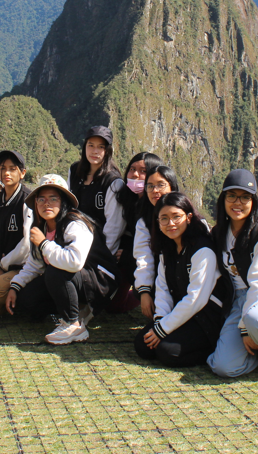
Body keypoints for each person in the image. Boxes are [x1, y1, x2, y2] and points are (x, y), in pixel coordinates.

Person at [5, 175, 118, 345]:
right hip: (75, 278)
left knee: (56, 270)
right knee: (27, 300)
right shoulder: (42, 227)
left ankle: (73, 324)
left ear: (63, 201)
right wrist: (15, 286)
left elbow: (74, 262)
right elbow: (35, 264)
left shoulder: (75, 224)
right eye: (41, 199)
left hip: (100, 280)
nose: (47, 204)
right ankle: (75, 307)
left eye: (53, 199)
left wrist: (44, 243)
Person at [134, 193, 230, 368]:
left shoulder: (202, 250)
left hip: (205, 318)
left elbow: (196, 299)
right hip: (182, 315)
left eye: (176, 217)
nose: (170, 223)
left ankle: (213, 349)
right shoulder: (167, 249)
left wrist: (162, 330)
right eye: (164, 218)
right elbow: (162, 288)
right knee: (143, 345)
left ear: (189, 217)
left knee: (167, 351)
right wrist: (160, 321)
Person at [207, 169, 258, 378]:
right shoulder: (218, 233)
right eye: (231, 196)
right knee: (223, 367)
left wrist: (245, 328)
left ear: (253, 202)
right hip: (236, 300)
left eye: (245, 197)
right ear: (223, 199)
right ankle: (257, 352)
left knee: (254, 319)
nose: (238, 203)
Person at [0, 150, 33, 320]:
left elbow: (27, 243)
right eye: (3, 168)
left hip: (23, 267)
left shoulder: (28, 200)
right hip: (3, 267)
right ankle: (14, 302)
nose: (7, 173)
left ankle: (25, 300)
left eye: (12, 169)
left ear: (22, 173)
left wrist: (4, 263)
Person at [108, 152, 162, 313]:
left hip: (153, 265)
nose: (135, 174)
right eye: (132, 169)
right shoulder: (127, 201)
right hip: (129, 258)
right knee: (114, 306)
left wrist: (129, 256)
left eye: (143, 171)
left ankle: (148, 296)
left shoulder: (160, 207)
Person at [68, 126, 127, 268]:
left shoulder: (113, 183)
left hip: (97, 252)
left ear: (108, 151)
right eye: (91, 145)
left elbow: (114, 228)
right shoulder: (74, 171)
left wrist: (100, 258)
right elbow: (68, 206)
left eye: (101, 147)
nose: (95, 151)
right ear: (84, 147)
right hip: (72, 242)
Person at [132, 165, 180, 320]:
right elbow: (143, 255)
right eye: (150, 186)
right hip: (161, 278)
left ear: (172, 186)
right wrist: (144, 291)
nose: (155, 191)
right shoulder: (145, 221)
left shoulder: (186, 216)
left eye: (160, 185)